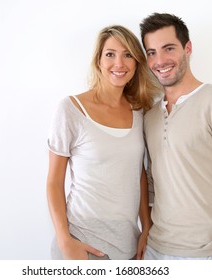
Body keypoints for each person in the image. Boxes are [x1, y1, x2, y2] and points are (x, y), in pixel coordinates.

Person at [139, 13, 212, 260]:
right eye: (151, 52)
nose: (159, 60)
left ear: (187, 48)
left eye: (168, 48)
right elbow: (153, 182)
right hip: (155, 251)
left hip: (206, 255)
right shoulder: (150, 116)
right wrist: (147, 235)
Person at [46, 25, 160, 260]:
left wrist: (146, 228)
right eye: (110, 54)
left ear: (137, 63)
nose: (119, 63)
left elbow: (137, 173)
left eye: (128, 54)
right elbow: (54, 182)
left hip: (128, 247)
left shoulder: (139, 112)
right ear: (98, 60)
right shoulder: (71, 109)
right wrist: (65, 240)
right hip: (81, 244)